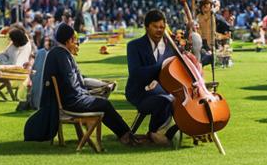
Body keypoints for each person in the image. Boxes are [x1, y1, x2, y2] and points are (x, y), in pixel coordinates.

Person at [24, 23, 139, 145]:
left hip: (70, 98)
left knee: (102, 101)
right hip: (71, 102)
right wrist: (89, 93)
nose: (77, 44)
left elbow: (78, 81)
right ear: (68, 40)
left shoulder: (60, 54)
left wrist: (100, 86)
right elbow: (72, 85)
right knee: (104, 104)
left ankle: (125, 134)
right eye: (75, 40)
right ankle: (126, 135)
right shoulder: (61, 56)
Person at [125, 9, 180, 145]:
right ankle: (154, 133)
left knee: (177, 101)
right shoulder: (134, 46)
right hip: (139, 93)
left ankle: (164, 133)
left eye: (162, 27)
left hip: (163, 91)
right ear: (147, 26)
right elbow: (136, 73)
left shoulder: (171, 47)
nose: (159, 30)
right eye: (155, 26)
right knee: (166, 101)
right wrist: (162, 65)